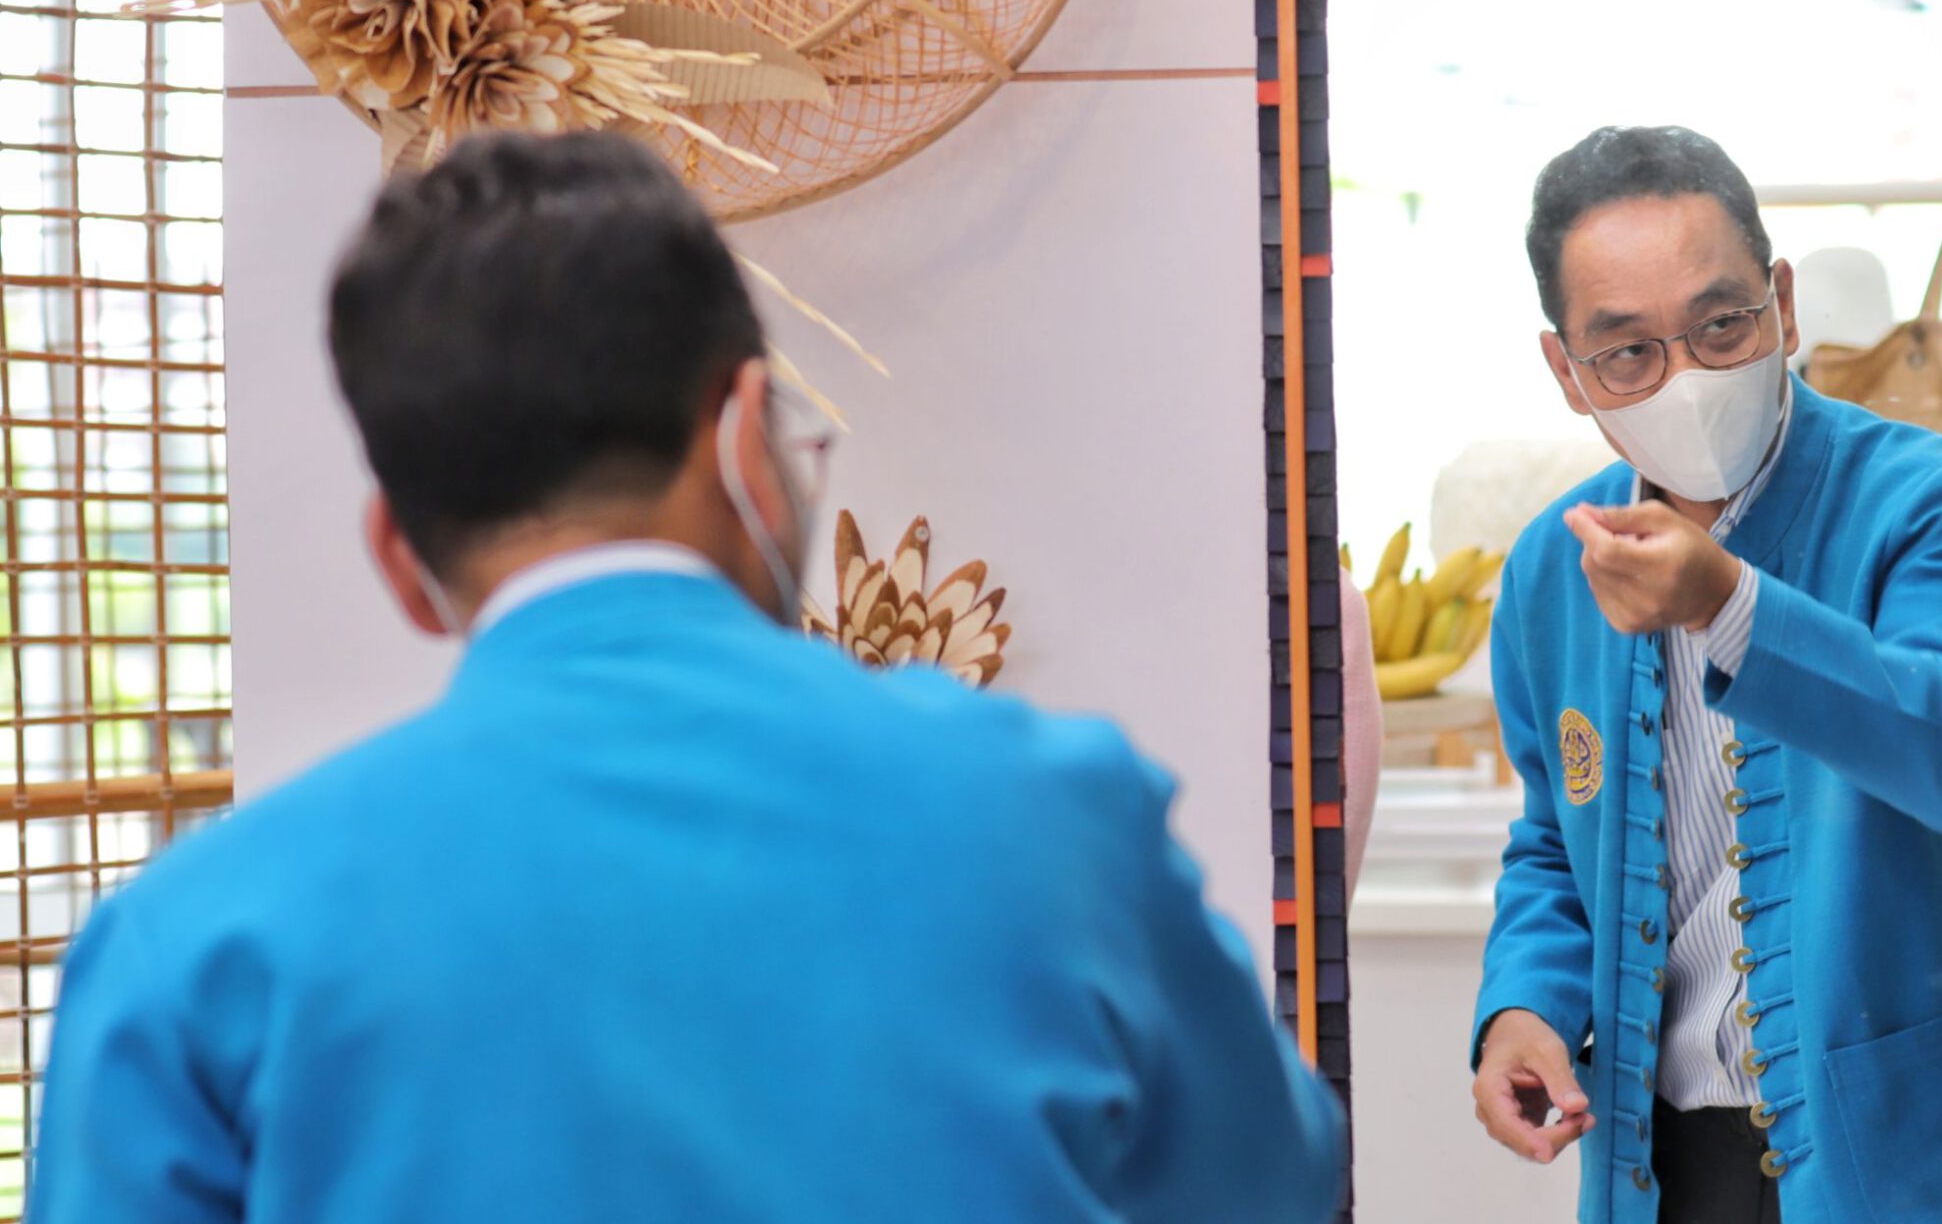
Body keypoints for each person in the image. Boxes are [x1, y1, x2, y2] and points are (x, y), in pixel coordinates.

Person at [29, 132, 1345, 1223]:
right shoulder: (1058, 821)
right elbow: (1272, 1186)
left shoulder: (193, 949)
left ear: (399, 559)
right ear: (748, 442)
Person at [1469, 126, 1942, 1224]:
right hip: (1659, 1164)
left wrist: (1728, 605)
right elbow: (1555, 835)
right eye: (1628, 353)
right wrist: (1523, 1007)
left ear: (1781, 303)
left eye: (1722, 324)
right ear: (1567, 371)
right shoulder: (1552, 567)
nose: (1685, 378)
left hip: (1904, 1155)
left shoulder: (1928, 501)